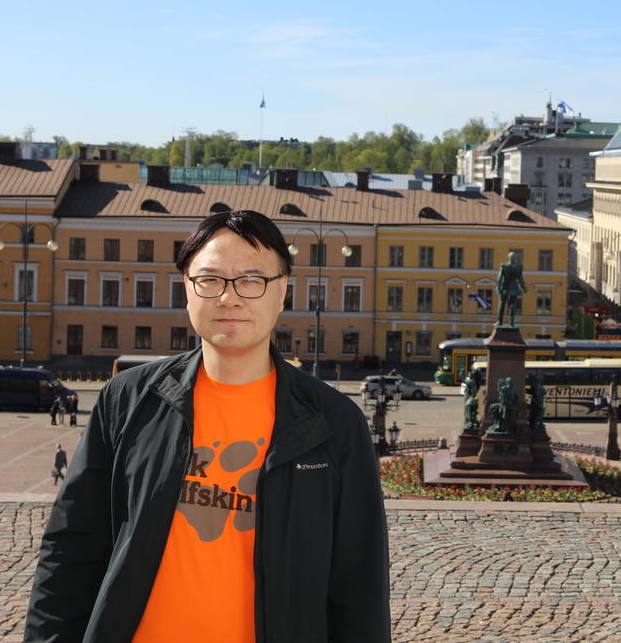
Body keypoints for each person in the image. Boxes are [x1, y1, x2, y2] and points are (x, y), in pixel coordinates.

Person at [26, 209, 389, 643]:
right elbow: (72, 547)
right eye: (210, 279)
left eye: (252, 280)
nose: (229, 298)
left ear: (282, 292)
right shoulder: (128, 400)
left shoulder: (334, 422)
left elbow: (359, 582)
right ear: (187, 288)